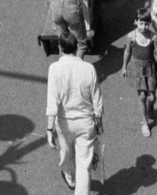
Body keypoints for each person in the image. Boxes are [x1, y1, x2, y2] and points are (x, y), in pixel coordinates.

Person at [46, 29, 103, 195]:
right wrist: (99, 124)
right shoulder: (89, 68)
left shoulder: (55, 69)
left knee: (65, 154)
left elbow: (52, 101)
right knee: (84, 165)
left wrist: (49, 129)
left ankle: (70, 178)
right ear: (76, 47)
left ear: (60, 48)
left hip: (64, 123)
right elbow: (97, 101)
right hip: (86, 122)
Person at [122, 4, 157, 137]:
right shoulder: (131, 36)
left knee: (152, 97)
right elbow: (127, 52)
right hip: (137, 69)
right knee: (142, 96)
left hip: (150, 69)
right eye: (141, 23)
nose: (143, 27)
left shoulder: (153, 36)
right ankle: (144, 122)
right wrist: (124, 67)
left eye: (146, 24)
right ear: (136, 22)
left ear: (149, 24)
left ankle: (150, 107)